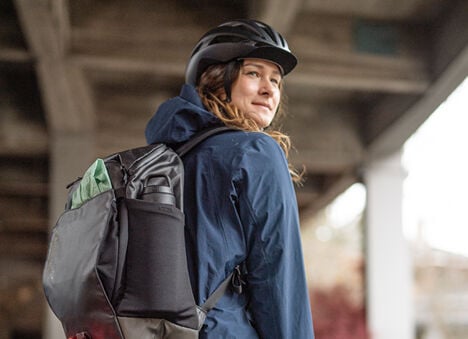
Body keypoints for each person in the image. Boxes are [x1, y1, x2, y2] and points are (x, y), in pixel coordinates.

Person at [145, 19, 314, 339]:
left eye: (276, 81)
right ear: (216, 80)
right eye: (253, 73)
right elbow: (278, 276)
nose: (269, 89)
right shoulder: (256, 152)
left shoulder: (167, 160)